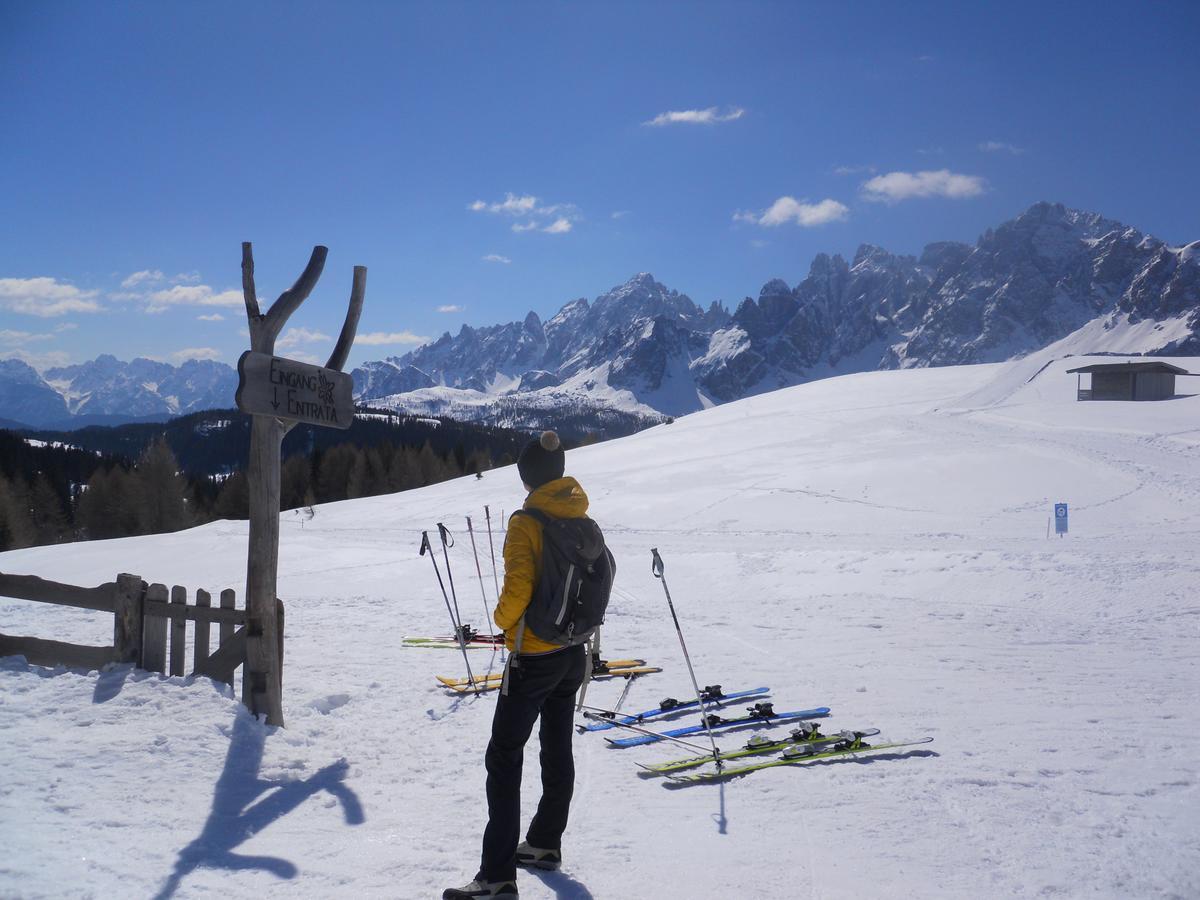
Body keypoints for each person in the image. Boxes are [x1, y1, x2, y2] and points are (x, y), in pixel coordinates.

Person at [444, 431, 593, 900]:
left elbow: (517, 591)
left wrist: (502, 622)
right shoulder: (580, 516)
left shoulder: (526, 521)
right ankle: (545, 844)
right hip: (574, 652)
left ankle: (496, 876)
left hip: (533, 657)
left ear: (527, 477)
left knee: (504, 757)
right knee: (556, 746)